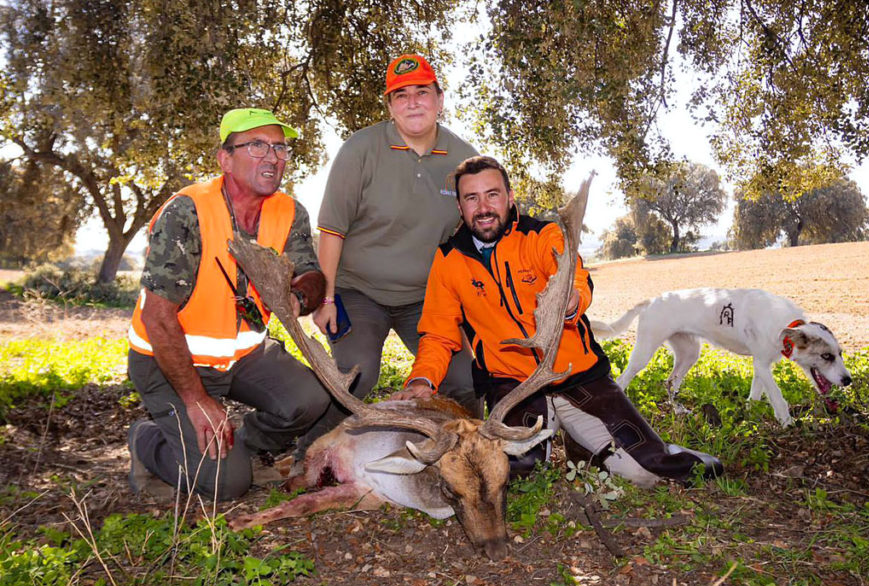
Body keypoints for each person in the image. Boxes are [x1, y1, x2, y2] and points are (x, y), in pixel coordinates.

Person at [392, 156, 723, 484]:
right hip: (514, 387)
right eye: (472, 198)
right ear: (460, 207)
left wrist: (571, 300)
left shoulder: (542, 237)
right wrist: (422, 379)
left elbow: (574, 277)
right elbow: (438, 332)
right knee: (514, 475)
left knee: (647, 471)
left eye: (492, 194)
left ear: (509, 197)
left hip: (579, 378)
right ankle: (576, 443)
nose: (484, 207)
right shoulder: (449, 260)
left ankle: (614, 447)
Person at [127, 108, 338, 501]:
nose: (273, 157)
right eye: (257, 145)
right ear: (225, 159)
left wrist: (299, 296)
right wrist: (196, 400)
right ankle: (147, 442)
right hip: (169, 361)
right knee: (227, 484)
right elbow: (158, 317)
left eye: (279, 147)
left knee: (311, 399)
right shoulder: (187, 211)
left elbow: (311, 274)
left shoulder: (289, 211)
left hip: (244, 357)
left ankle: (247, 448)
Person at [313, 54, 479, 412]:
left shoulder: (463, 160)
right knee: (355, 374)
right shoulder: (359, 150)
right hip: (357, 291)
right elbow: (331, 230)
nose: (413, 102)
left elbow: (475, 237)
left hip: (425, 299)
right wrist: (326, 299)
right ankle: (308, 456)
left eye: (422, 92)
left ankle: (464, 455)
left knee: (465, 380)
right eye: (401, 95)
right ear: (390, 105)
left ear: (440, 99)